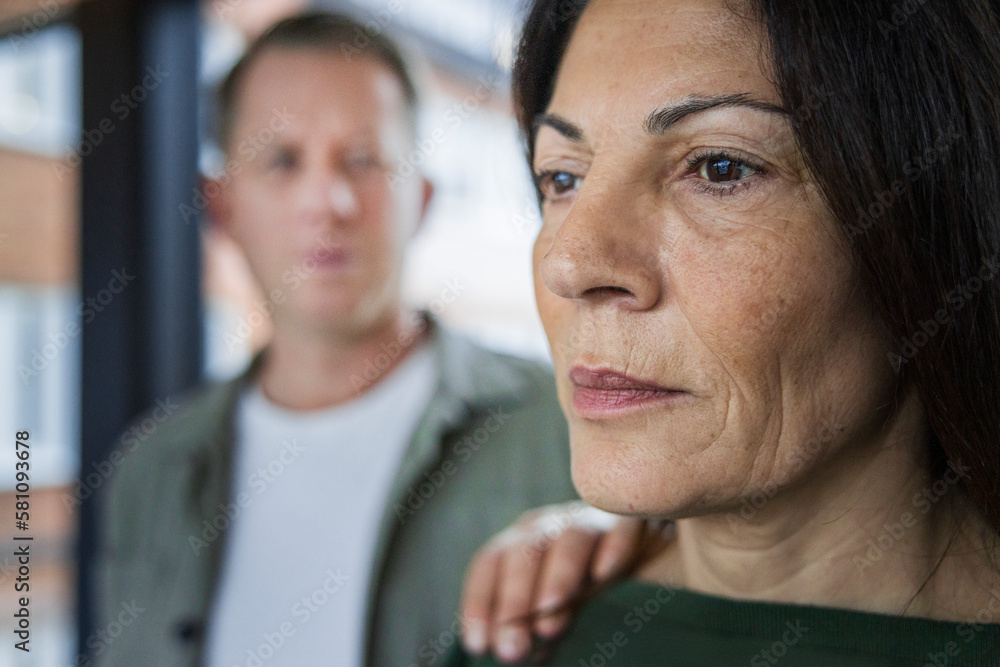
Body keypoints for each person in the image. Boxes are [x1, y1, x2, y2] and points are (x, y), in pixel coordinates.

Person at [447, 0, 1000, 664]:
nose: (571, 263)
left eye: (719, 168)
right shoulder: (518, 636)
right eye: (562, 178)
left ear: (934, 221)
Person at [92, 12, 592, 667]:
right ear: (222, 205)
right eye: (282, 161)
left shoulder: (566, 432)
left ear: (422, 199)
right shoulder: (149, 471)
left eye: (362, 160)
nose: (328, 200)